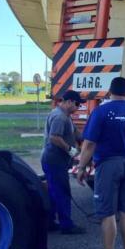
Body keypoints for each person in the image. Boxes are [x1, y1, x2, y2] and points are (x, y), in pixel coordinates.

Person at [77, 77, 125, 249]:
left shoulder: (101, 112)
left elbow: (89, 144)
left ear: (110, 91)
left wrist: (81, 167)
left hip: (108, 166)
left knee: (108, 213)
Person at [42, 90, 86, 234]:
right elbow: (54, 137)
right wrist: (71, 150)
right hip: (54, 160)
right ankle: (66, 225)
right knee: (62, 192)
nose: (78, 107)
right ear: (69, 102)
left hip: (55, 160)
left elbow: (75, 133)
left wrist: (88, 139)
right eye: (77, 104)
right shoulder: (60, 117)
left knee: (54, 192)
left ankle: (49, 222)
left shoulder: (65, 116)